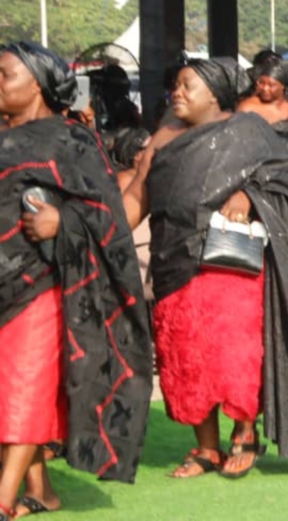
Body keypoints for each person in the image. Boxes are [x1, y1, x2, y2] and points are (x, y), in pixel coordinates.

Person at [123, 57, 288, 478]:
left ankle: (245, 430)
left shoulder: (246, 130)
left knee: (232, 351)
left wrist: (250, 196)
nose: (176, 93)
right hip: (171, 260)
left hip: (226, 260)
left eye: (186, 85)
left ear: (214, 94)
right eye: (175, 86)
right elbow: (134, 201)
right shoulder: (161, 139)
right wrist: (89, 224)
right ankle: (205, 448)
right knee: (185, 353)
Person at [1, 42, 152, 518]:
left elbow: (105, 212)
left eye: (5, 75)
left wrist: (59, 221)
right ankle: (41, 491)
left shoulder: (71, 139)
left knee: (25, 384)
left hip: (44, 281)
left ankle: (3, 498)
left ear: (40, 84)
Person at [237, 56, 288, 144]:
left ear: (283, 86)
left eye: (271, 85)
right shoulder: (248, 108)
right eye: (261, 83)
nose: (265, 88)